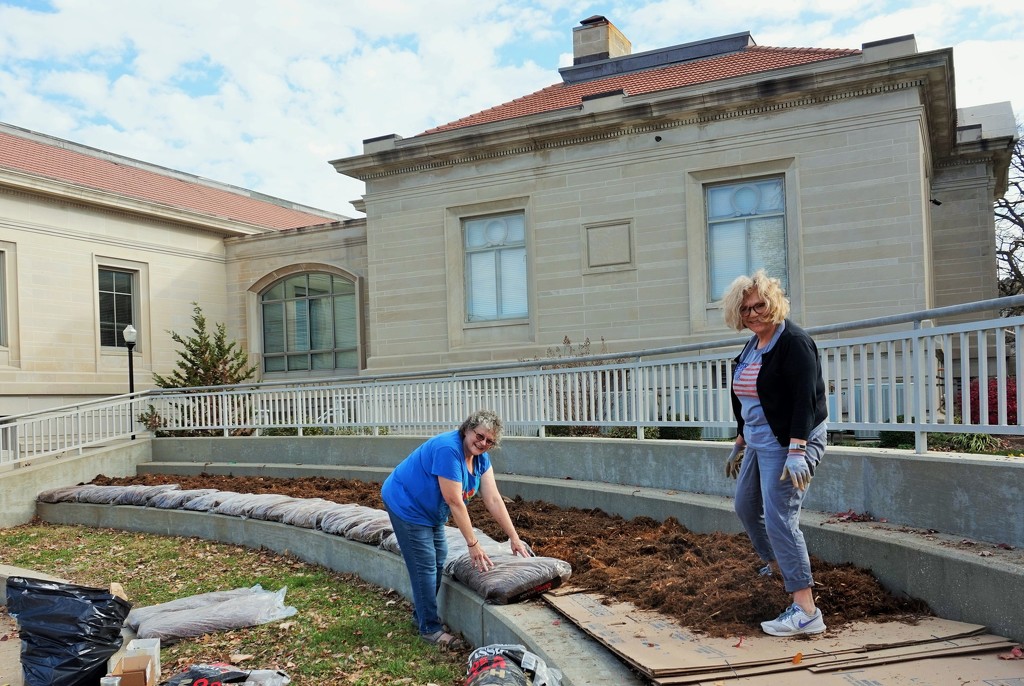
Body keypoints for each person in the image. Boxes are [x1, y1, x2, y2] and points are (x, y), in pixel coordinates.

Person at [722, 270, 829, 637]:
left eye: (760, 305)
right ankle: (779, 565)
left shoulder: (794, 342)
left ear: (774, 302)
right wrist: (739, 440)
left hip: (791, 442)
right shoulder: (754, 344)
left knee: (781, 516)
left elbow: (805, 402)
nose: (753, 313)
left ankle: (806, 610)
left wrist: (797, 450)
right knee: (745, 505)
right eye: (746, 308)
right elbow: (748, 398)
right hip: (758, 440)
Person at [381, 409, 532, 650]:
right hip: (406, 504)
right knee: (425, 565)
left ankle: (421, 617)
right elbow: (454, 502)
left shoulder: (482, 460)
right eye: (479, 436)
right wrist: (473, 544)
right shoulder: (448, 450)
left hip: (430, 511)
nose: (482, 443)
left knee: (439, 558)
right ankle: (429, 628)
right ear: (467, 429)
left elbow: (493, 499)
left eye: (489, 441)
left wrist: (514, 537)